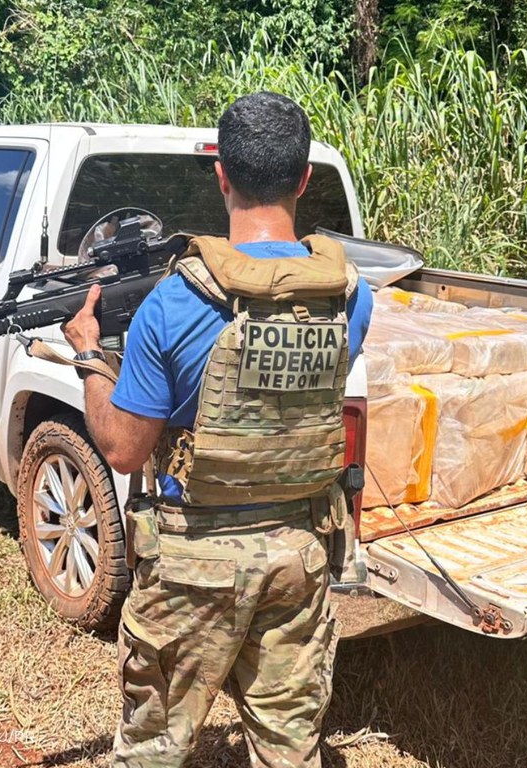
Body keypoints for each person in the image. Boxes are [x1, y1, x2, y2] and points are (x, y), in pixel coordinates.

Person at [63, 91, 373, 768]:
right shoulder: (352, 295)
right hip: (299, 553)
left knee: (153, 751)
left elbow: (122, 448)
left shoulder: (174, 301)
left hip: (189, 564)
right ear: (302, 181)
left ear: (222, 177)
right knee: (289, 748)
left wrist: (90, 355)